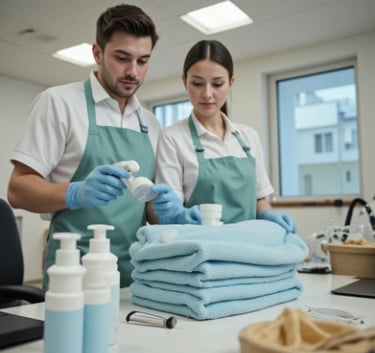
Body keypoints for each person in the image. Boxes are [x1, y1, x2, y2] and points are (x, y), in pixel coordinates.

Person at [7, 4, 160, 288]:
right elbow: (17, 190)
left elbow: (146, 207)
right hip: (74, 271)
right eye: (122, 58)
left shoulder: (149, 122)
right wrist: (76, 193)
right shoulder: (59, 103)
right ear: (97, 53)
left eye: (143, 61)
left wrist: (165, 209)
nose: (132, 71)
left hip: (136, 273)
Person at [151, 40, 296, 233]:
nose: (207, 94)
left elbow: (259, 199)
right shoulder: (173, 138)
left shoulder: (248, 137)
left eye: (217, 84)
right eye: (197, 83)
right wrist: (180, 216)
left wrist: (268, 214)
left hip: (248, 247)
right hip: (201, 252)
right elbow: (170, 208)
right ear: (184, 81)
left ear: (231, 83)